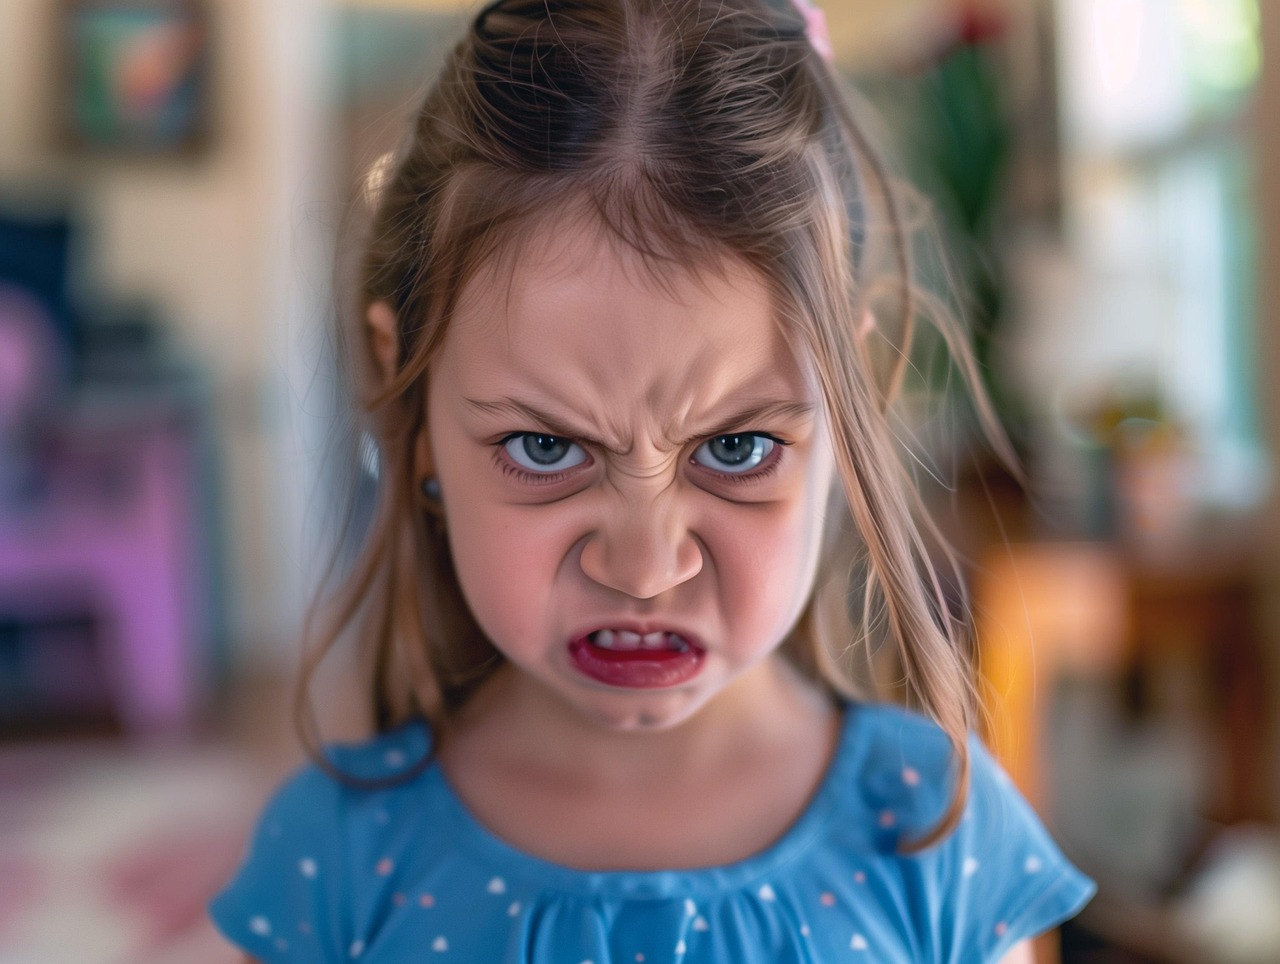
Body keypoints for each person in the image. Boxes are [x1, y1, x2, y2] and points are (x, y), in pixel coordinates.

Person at [211, 0, 1094, 960]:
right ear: (410, 401)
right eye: (545, 449)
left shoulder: (938, 835)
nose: (643, 568)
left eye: (737, 449)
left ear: (853, 396)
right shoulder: (337, 859)